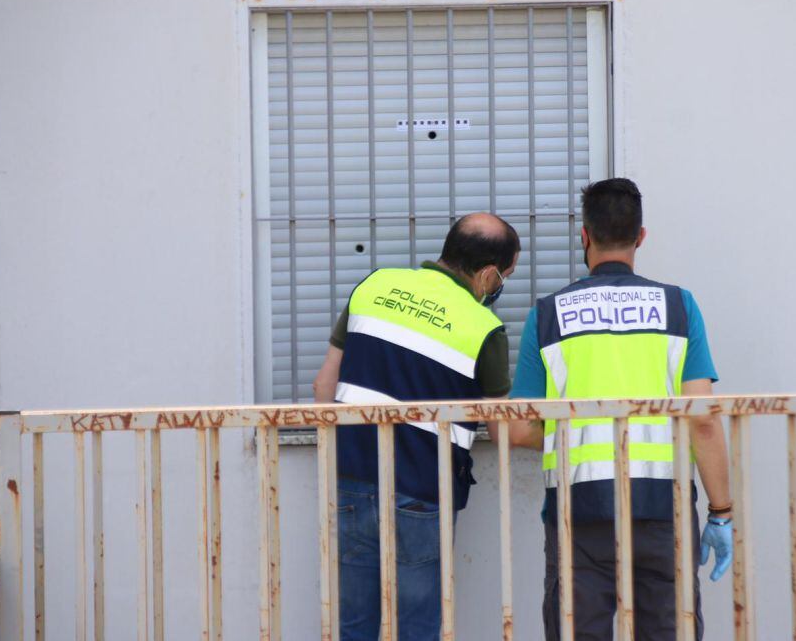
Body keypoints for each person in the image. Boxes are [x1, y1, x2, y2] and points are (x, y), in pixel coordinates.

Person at [506, 178, 733, 641]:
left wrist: (571, 432)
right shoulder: (677, 307)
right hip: (662, 505)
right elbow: (703, 421)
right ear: (641, 237)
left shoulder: (549, 314)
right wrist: (721, 511)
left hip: (577, 508)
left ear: (583, 236)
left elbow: (517, 431)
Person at [312, 213, 519, 641]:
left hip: (350, 479)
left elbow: (323, 386)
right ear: (488, 275)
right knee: (420, 629)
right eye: (504, 278)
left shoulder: (374, 285)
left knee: (353, 626)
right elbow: (501, 432)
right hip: (424, 493)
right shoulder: (485, 328)